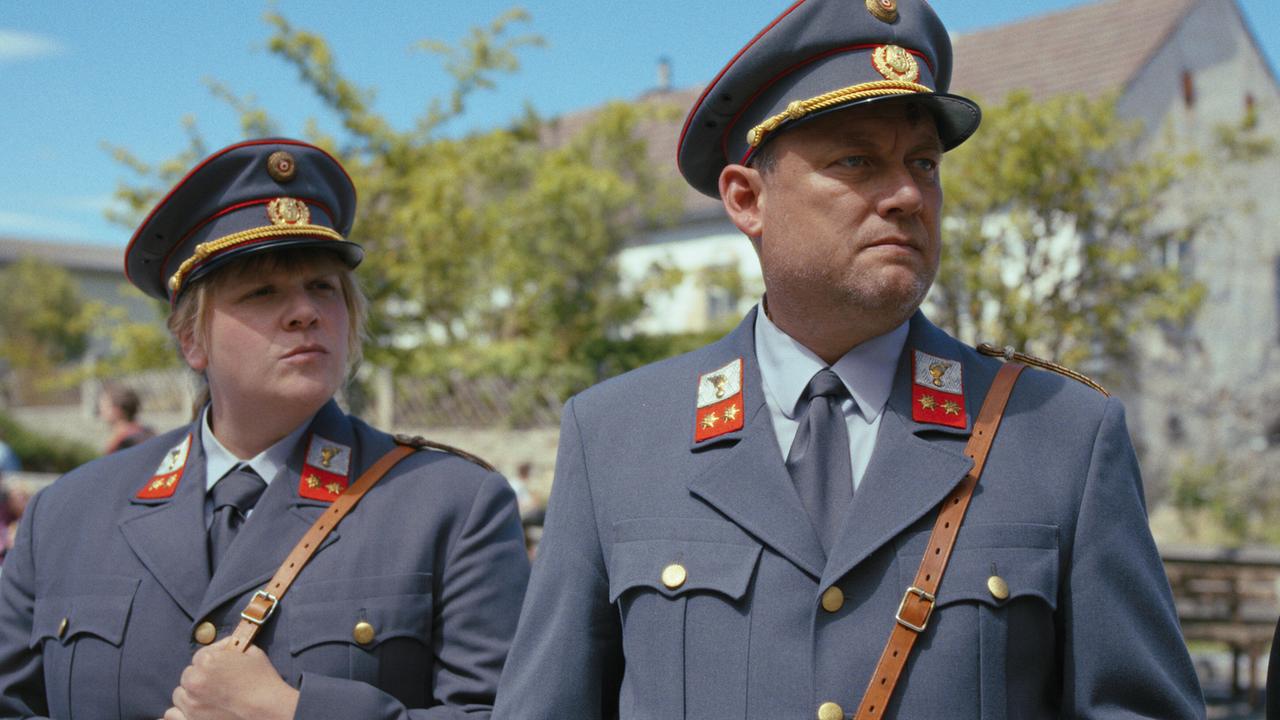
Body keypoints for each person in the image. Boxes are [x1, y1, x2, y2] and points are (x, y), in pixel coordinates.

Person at [494, 1, 1205, 717]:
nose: (905, 196)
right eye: (857, 160)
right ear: (747, 199)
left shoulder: (1059, 436)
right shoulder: (618, 435)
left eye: (922, 163)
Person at [0, 139, 529, 719]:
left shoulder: (449, 503)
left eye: (323, 287)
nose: (305, 311)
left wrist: (294, 714)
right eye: (262, 291)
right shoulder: (68, 513)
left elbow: (511, 713)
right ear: (192, 338)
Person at [99, 384, 156, 454]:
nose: (101, 410)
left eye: (105, 406)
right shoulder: (144, 432)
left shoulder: (128, 441)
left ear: (117, 410)